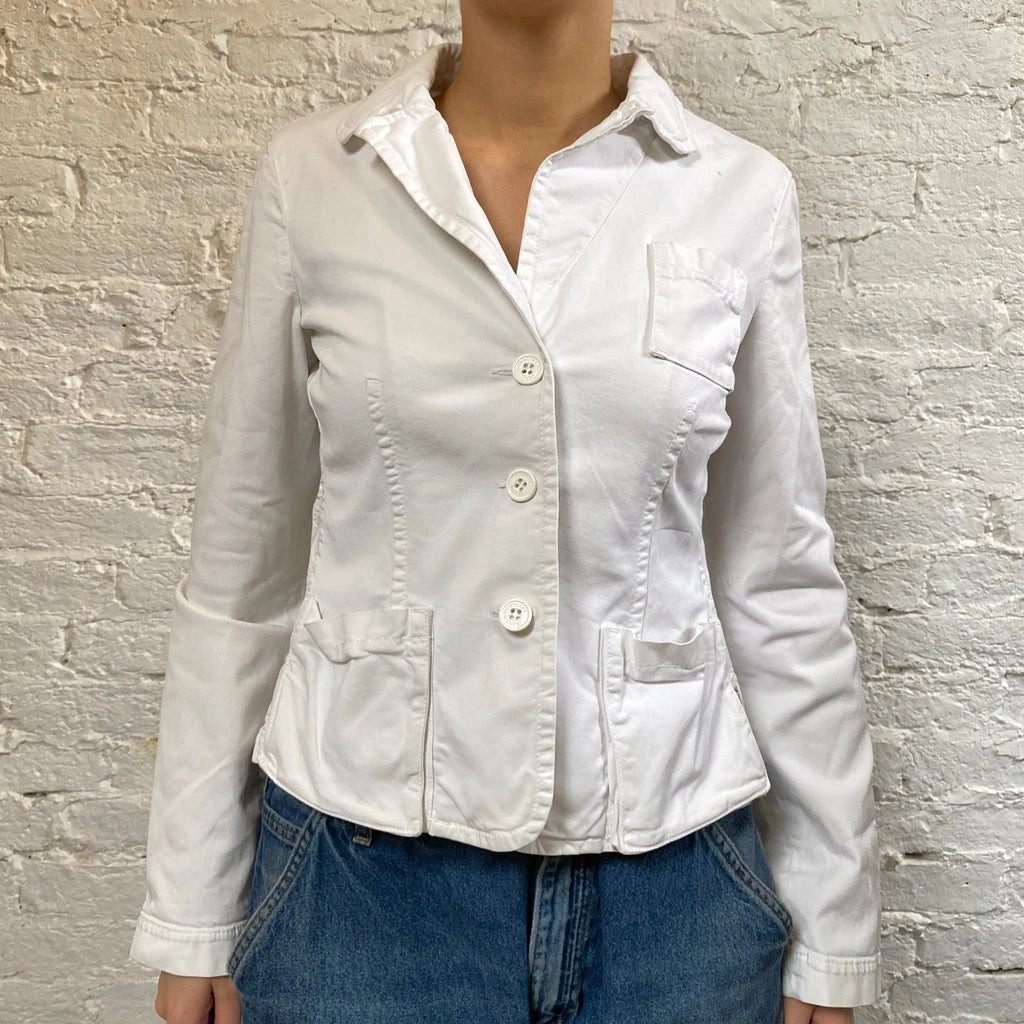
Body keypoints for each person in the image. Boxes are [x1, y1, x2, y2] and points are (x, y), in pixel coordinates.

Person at [130, 2, 882, 1022]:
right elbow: (241, 570)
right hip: (359, 883)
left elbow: (776, 578)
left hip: (676, 890)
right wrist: (192, 907)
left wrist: (833, 922)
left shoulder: (737, 193)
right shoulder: (316, 180)